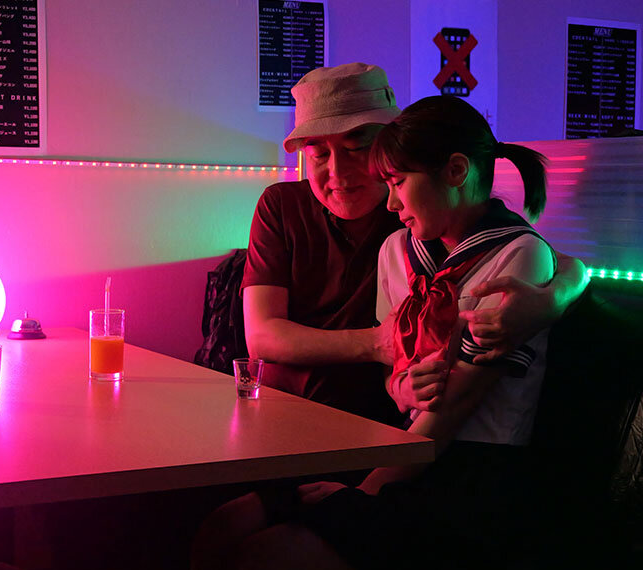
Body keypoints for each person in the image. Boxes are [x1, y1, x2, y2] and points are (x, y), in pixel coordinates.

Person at [191, 95, 559, 570]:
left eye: (397, 182)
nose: (390, 204)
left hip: (464, 470)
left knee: (262, 564)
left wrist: (364, 491)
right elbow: (393, 366)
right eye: (319, 154)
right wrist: (400, 385)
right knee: (216, 533)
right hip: (390, 447)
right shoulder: (399, 247)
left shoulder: (515, 255)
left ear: (456, 171)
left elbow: (452, 412)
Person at [242, 62, 587, 423]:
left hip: (375, 420)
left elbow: (543, 256)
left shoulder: (418, 209)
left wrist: (550, 301)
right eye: (319, 155)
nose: (338, 173)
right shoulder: (282, 204)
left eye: (358, 147)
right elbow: (262, 336)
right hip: (279, 409)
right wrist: (378, 343)